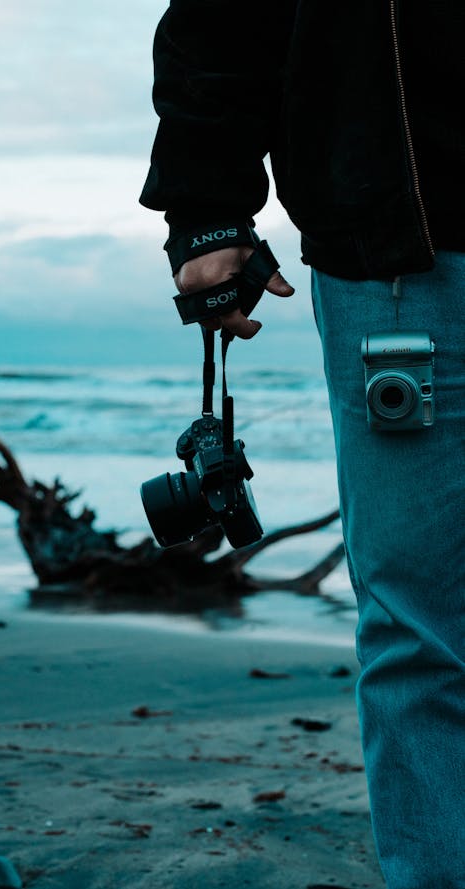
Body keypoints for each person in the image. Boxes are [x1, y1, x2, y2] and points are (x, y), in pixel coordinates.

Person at [139, 3, 465, 886]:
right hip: (407, 249)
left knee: (419, 633)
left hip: (402, 256)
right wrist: (206, 205)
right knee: (421, 630)